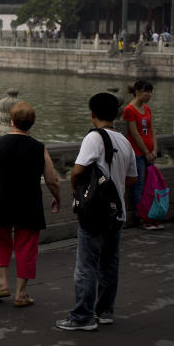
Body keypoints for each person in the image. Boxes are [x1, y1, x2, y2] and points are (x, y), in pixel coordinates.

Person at [55, 93, 137, 332]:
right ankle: (105, 311)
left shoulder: (94, 137)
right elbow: (132, 178)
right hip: (117, 212)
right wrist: (115, 187)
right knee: (110, 262)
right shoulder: (124, 141)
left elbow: (77, 171)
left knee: (86, 265)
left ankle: (83, 316)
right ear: (117, 114)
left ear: (92, 114)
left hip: (95, 214)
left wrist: (78, 193)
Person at [0, 102, 61, 307]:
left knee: (0, 240)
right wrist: (58, 197)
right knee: (26, 246)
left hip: (1, 200)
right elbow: (52, 179)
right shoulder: (39, 147)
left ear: (12, 121)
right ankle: (20, 294)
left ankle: (2, 283)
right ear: (31, 123)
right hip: (29, 202)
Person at [123, 79, 162, 229]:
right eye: (147, 91)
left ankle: (151, 216)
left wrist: (154, 150)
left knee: (150, 185)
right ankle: (142, 218)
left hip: (149, 154)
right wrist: (146, 151)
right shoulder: (129, 110)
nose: (149, 95)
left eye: (151, 92)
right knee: (138, 186)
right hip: (138, 154)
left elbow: (152, 130)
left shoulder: (147, 109)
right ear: (138, 92)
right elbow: (134, 134)